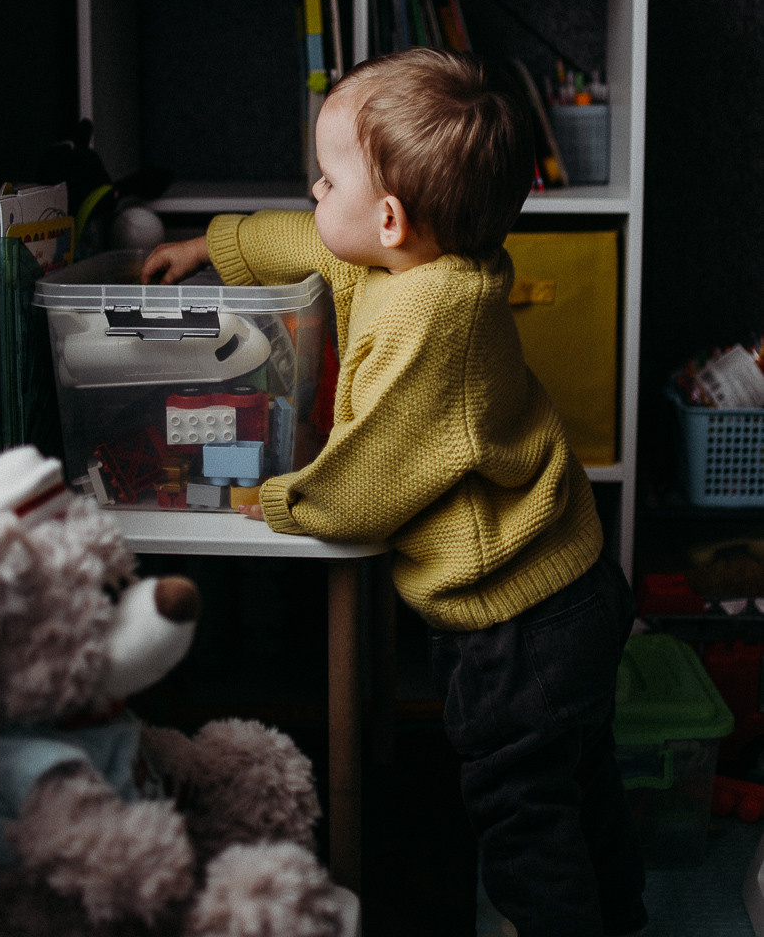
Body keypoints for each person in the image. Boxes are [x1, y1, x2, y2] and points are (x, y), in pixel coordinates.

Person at [141, 48, 648, 937]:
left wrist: (282, 498)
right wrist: (209, 245)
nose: (311, 189)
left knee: (520, 812)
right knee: (579, 776)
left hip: (515, 623)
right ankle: (624, 917)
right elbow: (306, 243)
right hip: (565, 589)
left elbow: (372, 477)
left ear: (387, 216)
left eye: (324, 178)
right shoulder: (406, 262)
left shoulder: (429, 319)